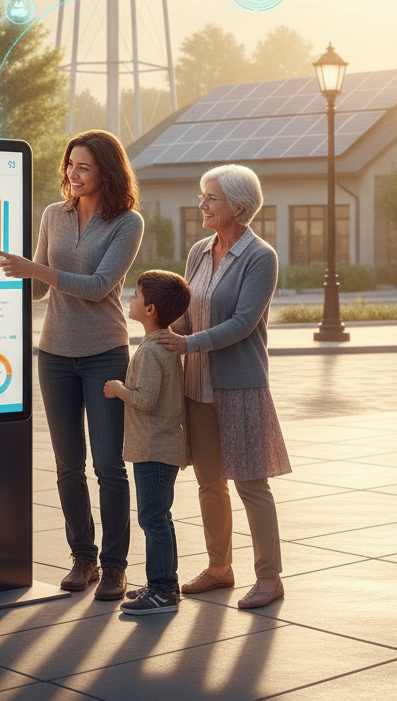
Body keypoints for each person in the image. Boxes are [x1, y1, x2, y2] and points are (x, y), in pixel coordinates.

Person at [0, 130, 143, 601]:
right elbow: (38, 289)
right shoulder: (52, 215)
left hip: (104, 352)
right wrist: (4, 273)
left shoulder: (127, 222)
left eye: (83, 167)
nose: (72, 175)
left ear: (107, 172)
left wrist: (35, 270)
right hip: (53, 353)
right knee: (67, 466)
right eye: (70, 165)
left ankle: (116, 566)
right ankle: (84, 558)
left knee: (108, 465)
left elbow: (99, 286)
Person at [153, 163, 290, 610]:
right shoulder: (198, 251)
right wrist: (160, 331)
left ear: (239, 206)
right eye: (202, 196)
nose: (202, 204)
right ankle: (219, 568)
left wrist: (188, 342)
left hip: (241, 385)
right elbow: (188, 310)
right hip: (198, 385)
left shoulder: (260, 256)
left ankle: (269, 578)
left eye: (211, 198)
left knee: (252, 484)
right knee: (210, 482)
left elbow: (243, 323)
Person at [104, 270, 192, 615]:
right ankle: (161, 584)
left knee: (153, 520)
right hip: (157, 449)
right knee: (158, 518)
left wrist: (118, 390)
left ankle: (163, 590)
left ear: (151, 309)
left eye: (136, 295)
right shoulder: (160, 345)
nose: (130, 299)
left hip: (154, 451)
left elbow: (147, 400)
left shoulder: (153, 351)